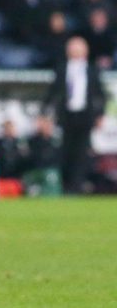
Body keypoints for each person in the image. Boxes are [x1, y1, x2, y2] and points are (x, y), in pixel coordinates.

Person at [44, 36, 107, 193]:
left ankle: (77, 186)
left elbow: (100, 94)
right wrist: (45, 114)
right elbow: (52, 93)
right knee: (65, 151)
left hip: (85, 116)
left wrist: (100, 115)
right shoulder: (61, 69)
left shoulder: (92, 70)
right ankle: (65, 184)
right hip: (66, 116)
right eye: (73, 48)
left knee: (82, 152)